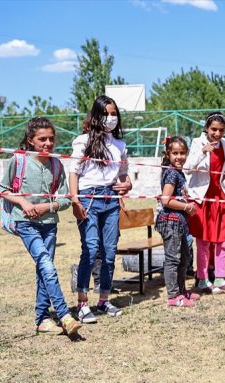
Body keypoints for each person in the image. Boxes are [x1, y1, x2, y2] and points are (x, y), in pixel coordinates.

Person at [0, 117, 81, 335]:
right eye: (42, 139)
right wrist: (24, 202)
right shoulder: (18, 160)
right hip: (26, 224)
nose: (47, 143)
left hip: (49, 225)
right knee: (46, 265)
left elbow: (65, 198)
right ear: (31, 140)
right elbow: (4, 190)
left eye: (51, 139)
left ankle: (43, 318)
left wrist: (49, 206)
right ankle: (64, 315)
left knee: (44, 270)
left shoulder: (56, 164)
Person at [69, 95, 132, 323]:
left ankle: (104, 300)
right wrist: (75, 201)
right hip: (89, 198)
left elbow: (124, 174)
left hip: (111, 199)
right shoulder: (83, 141)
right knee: (91, 248)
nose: (111, 118)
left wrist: (127, 184)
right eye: (106, 113)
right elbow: (73, 172)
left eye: (114, 113)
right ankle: (83, 303)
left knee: (109, 252)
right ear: (96, 116)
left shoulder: (119, 145)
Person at [185, 112, 225, 294]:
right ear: (206, 128)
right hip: (203, 196)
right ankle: (202, 279)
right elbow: (187, 168)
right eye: (213, 129)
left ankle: (221, 277)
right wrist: (202, 152)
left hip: (219, 195)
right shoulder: (197, 143)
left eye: (221, 130)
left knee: (222, 240)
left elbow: (223, 169)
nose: (217, 133)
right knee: (204, 241)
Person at [155, 136, 201, 307]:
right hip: (170, 222)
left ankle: (182, 291)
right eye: (175, 153)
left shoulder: (178, 172)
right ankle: (174, 296)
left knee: (185, 257)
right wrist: (186, 207)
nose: (179, 157)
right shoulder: (172, 173)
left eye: (182, 153)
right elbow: (166, 200)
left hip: (179, 222)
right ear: (168, 154)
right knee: (173, 259)